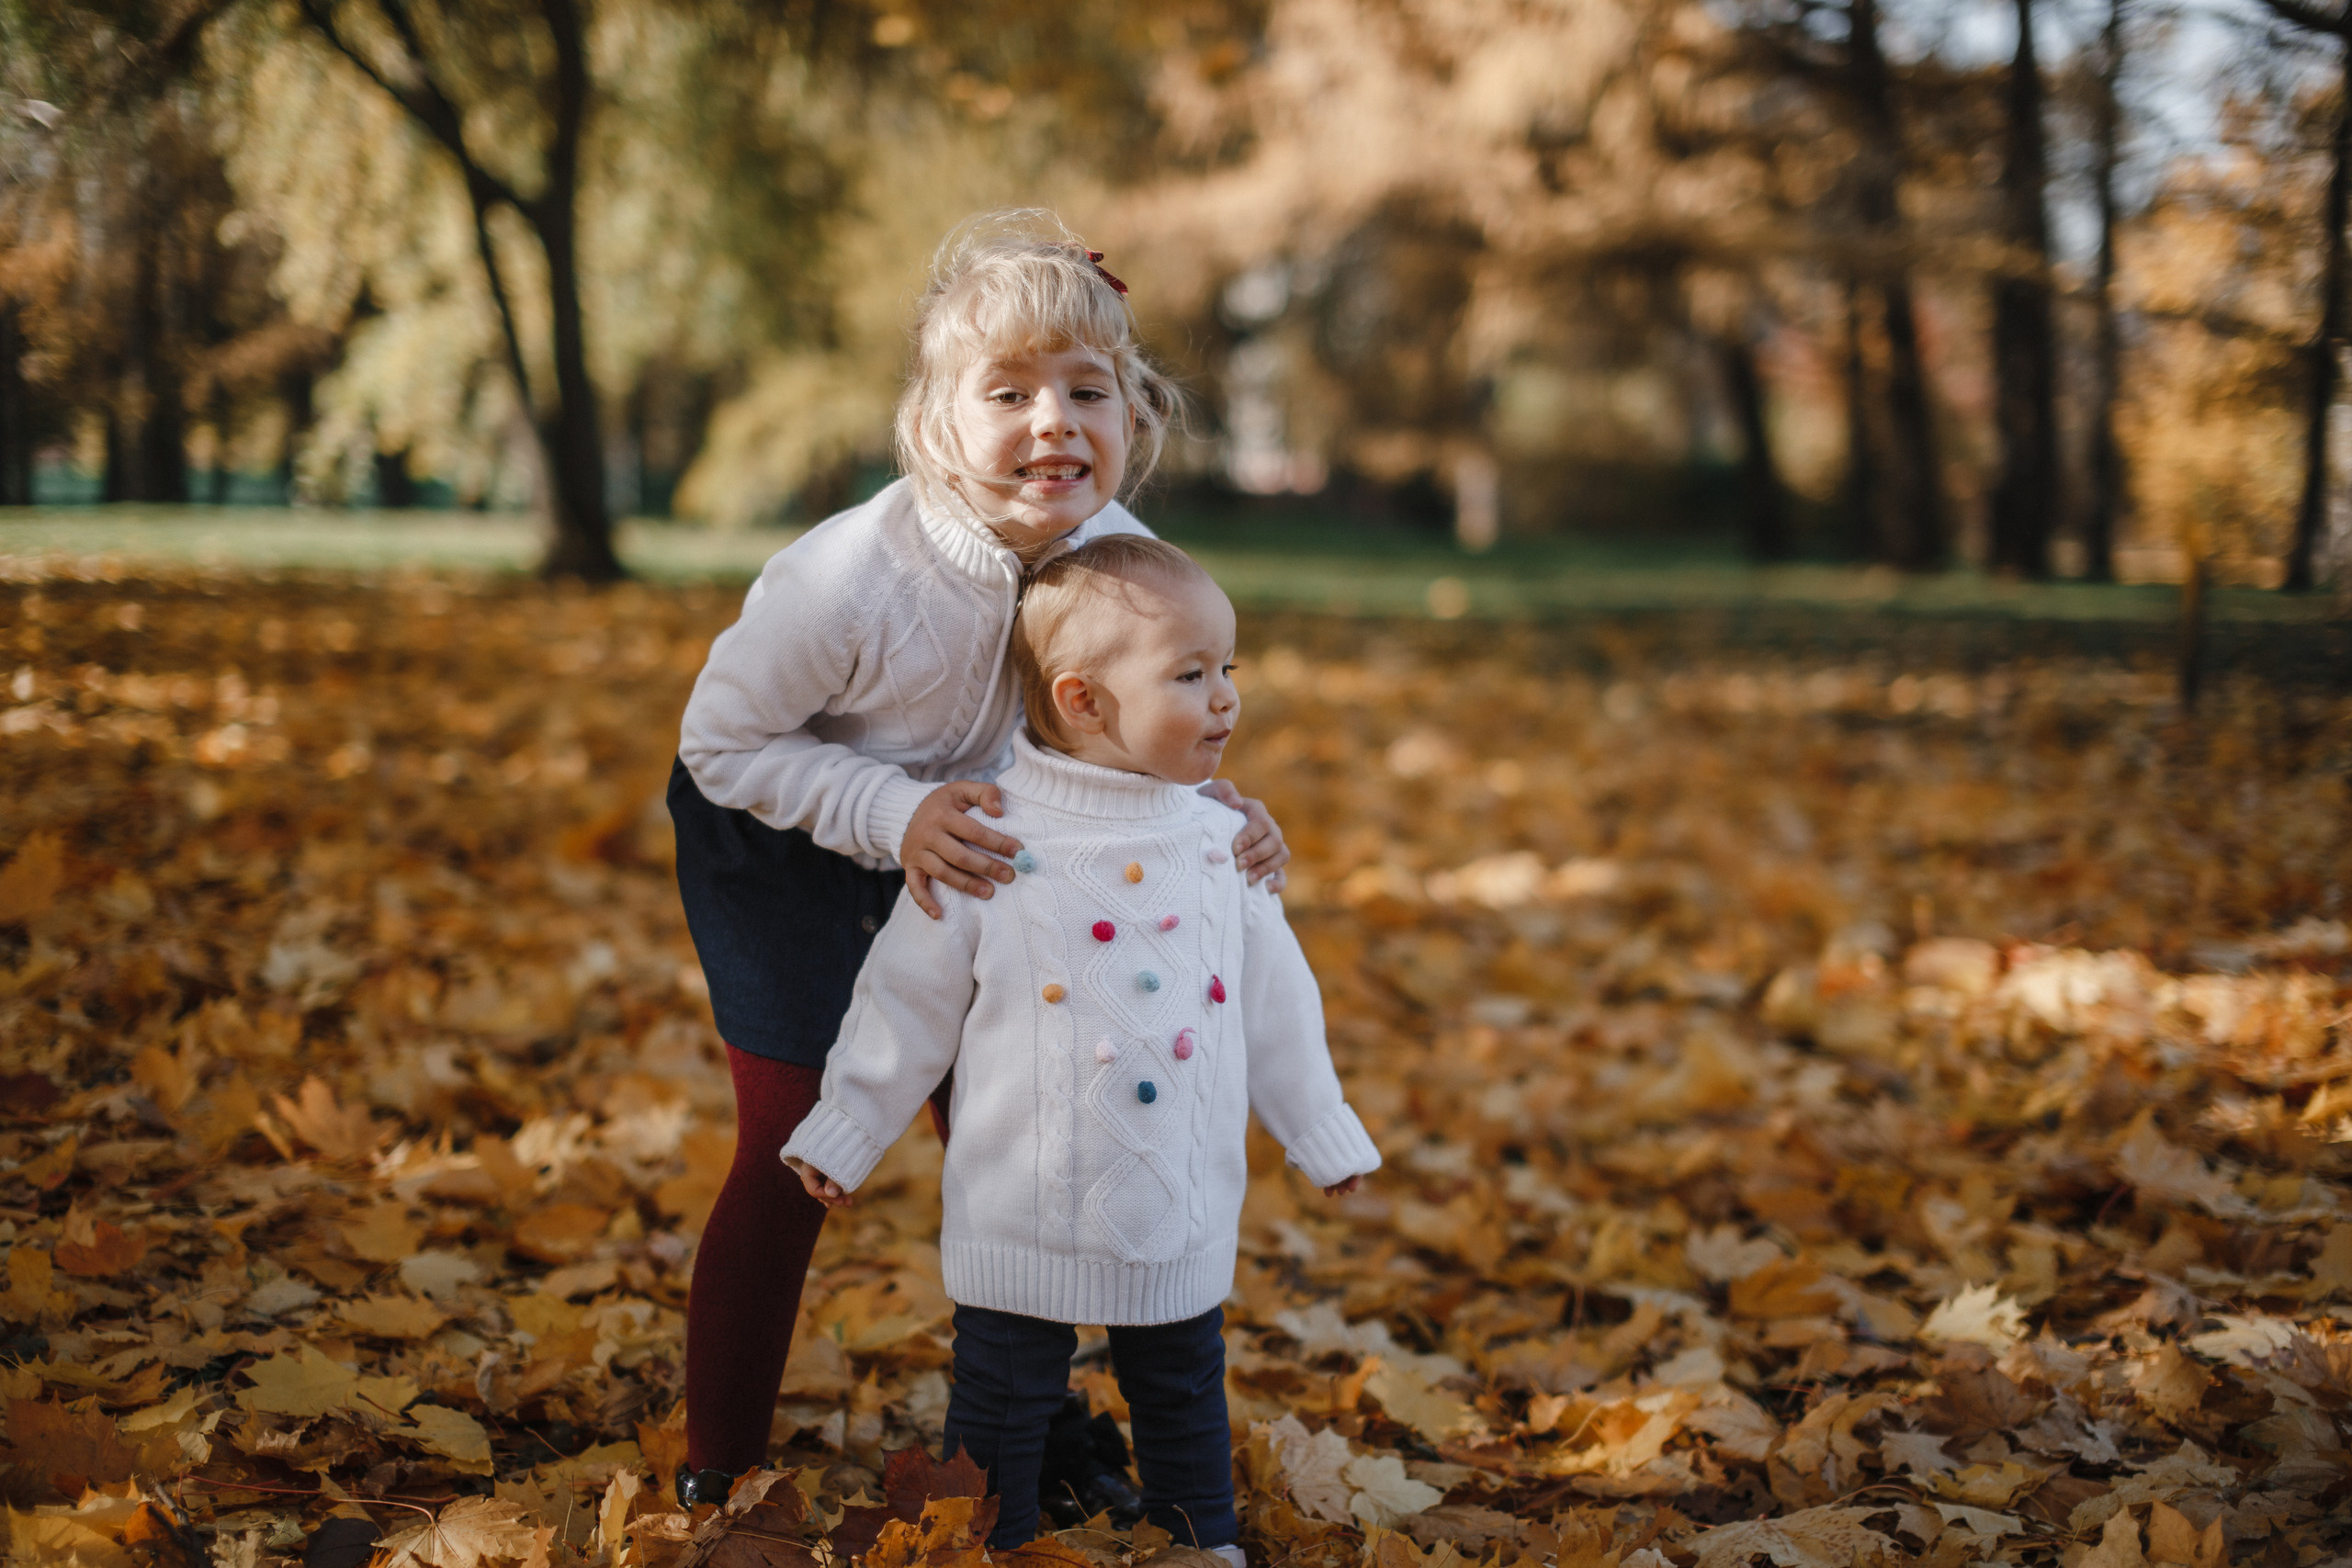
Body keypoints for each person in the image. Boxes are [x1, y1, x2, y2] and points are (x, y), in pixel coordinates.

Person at [668, 211, 1292, 1509]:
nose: (1053, 421)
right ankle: (717, 1457)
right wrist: (887, 814)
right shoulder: (848, 575)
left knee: (1022, 1119)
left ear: (1135, 413)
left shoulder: (1116, 563)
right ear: (936, 423)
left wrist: (1209, 810)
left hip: (978, 836)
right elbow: (721, 740)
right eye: (1007, 393)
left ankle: (1016, 1430)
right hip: (780, 830)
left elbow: (1139, 714)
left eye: (1087, 389)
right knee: (799, 1138)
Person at [782, 536, 1382, 1559]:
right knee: (1004, 1394)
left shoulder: (1218, 842)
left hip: (1178, 1196)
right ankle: (997, 1542)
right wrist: (845, 1128)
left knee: (1183, 1382)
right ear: (1082, 702)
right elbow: (905, 999)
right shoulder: (993, 841)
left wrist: (1321, 1130)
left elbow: (1276, 1000)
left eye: (1228, 667)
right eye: (1192, 675)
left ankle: (1201, 1540)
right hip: (1024, 1196)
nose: (1229, 697)